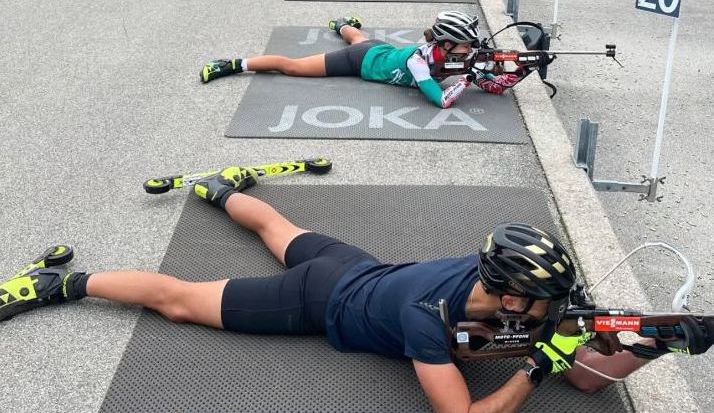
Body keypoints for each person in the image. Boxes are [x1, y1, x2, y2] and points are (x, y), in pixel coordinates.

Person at [5, 195, 706, 413]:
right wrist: (532, 370)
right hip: (321, 301)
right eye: (543, 299)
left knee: (278, 228)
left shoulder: (501, 281)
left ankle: (219, 188)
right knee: (180, 299)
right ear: (507, 287)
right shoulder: (428, 321)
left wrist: (655, 337)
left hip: (360, 265)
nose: (552, 308)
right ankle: (61, 282)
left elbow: (590, 370)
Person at [202, 10, 483, 103]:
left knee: (359, 37)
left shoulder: (446, 55)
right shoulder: (418, 62)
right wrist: (469, 78)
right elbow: (442, 100)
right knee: (293, 67)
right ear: (445, 44)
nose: (468, 50)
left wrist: (503, 75)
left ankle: (341, 24)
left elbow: (483, 72)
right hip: (358, 62)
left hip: (378, 50)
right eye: (464, 46)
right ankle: (233, 64)